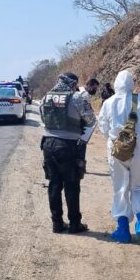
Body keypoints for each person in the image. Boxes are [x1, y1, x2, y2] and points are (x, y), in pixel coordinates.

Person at [99, 70, 140, 243]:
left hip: (117, 152)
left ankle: (123, 229)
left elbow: (103, 128)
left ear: (116, 84)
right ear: (131, 84)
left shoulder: (108, 103)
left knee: (120, 188)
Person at [39, 72, 96, 234]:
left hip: (48, 144)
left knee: (54, 184)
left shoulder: (46, 97)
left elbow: (44, 119)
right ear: (72, 84)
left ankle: (57, 223)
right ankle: (74, 224)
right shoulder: (77, 98)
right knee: (72, 185)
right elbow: (91, 120)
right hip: (69, 146)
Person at [77, 78, 100, 174]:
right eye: (95, 88)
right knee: (81, 145)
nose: (95, 90)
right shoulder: (84, 94)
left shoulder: (78, 90)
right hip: (80, 124)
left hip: (75, 123)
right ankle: (79, 167)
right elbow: (85, 112)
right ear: (90, 85)